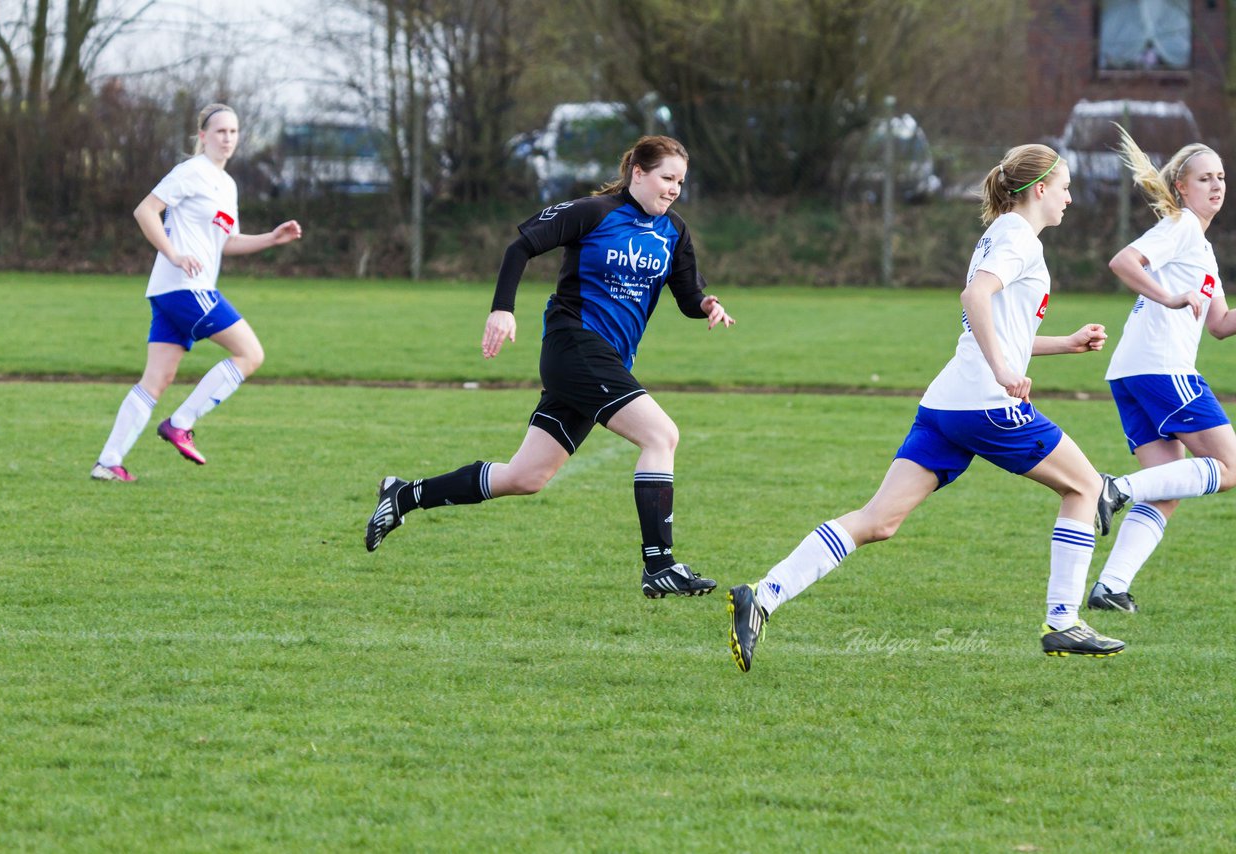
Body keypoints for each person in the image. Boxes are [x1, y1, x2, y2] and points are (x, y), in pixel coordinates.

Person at [727, 144, 1126, 673]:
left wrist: (1064, 343)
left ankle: (763, 595)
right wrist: (1006, 374)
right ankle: (1063, 621)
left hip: (947, 403)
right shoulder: (1017, 238)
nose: (1071, 198)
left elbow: (997, 328)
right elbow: (974, 299)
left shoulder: (999, 235)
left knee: (878, 521)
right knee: (1086, 487)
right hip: (985, 403)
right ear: (1038, 190)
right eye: (1066, 187)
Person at [363, 135, 735, 599]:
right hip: (574, 346)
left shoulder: (673, 231)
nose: (674, 188)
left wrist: (707, 304)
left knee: (525, 477)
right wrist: (502, 308)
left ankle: (403, 495)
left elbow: (685, 294)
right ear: (637, 172)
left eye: (680, 181)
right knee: (662, 435)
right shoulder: (593, 212)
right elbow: (520, 248)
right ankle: (659, 564)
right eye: (666, 178)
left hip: (603, 362)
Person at [91, 103, 303, 482]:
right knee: (250, 353)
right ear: (202, 136)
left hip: (170, 292)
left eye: (234, 132)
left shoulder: (227, 185)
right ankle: (181, 422)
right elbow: (145, 211)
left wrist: (272, 238)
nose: (228, 138)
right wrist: (173, 253)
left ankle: (109, 461)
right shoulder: (191, 172)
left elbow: (228, 242)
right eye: (220, 131)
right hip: (187, 288)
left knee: (156, 380)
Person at [1086, 127, 1236, 613]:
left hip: (1134, 370)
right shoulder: (1182, 227)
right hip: (1161, 369)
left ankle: (1110, 587)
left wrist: (1184, 298)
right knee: (1232, 468)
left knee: (1168, 486)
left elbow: (1219, 324)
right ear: (1181, 189)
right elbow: (1124, 261)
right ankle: (1115, 488)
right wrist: (1171, 296)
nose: (1216, 185)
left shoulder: (1202, 246)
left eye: (1221, 177)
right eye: (1204, 178)